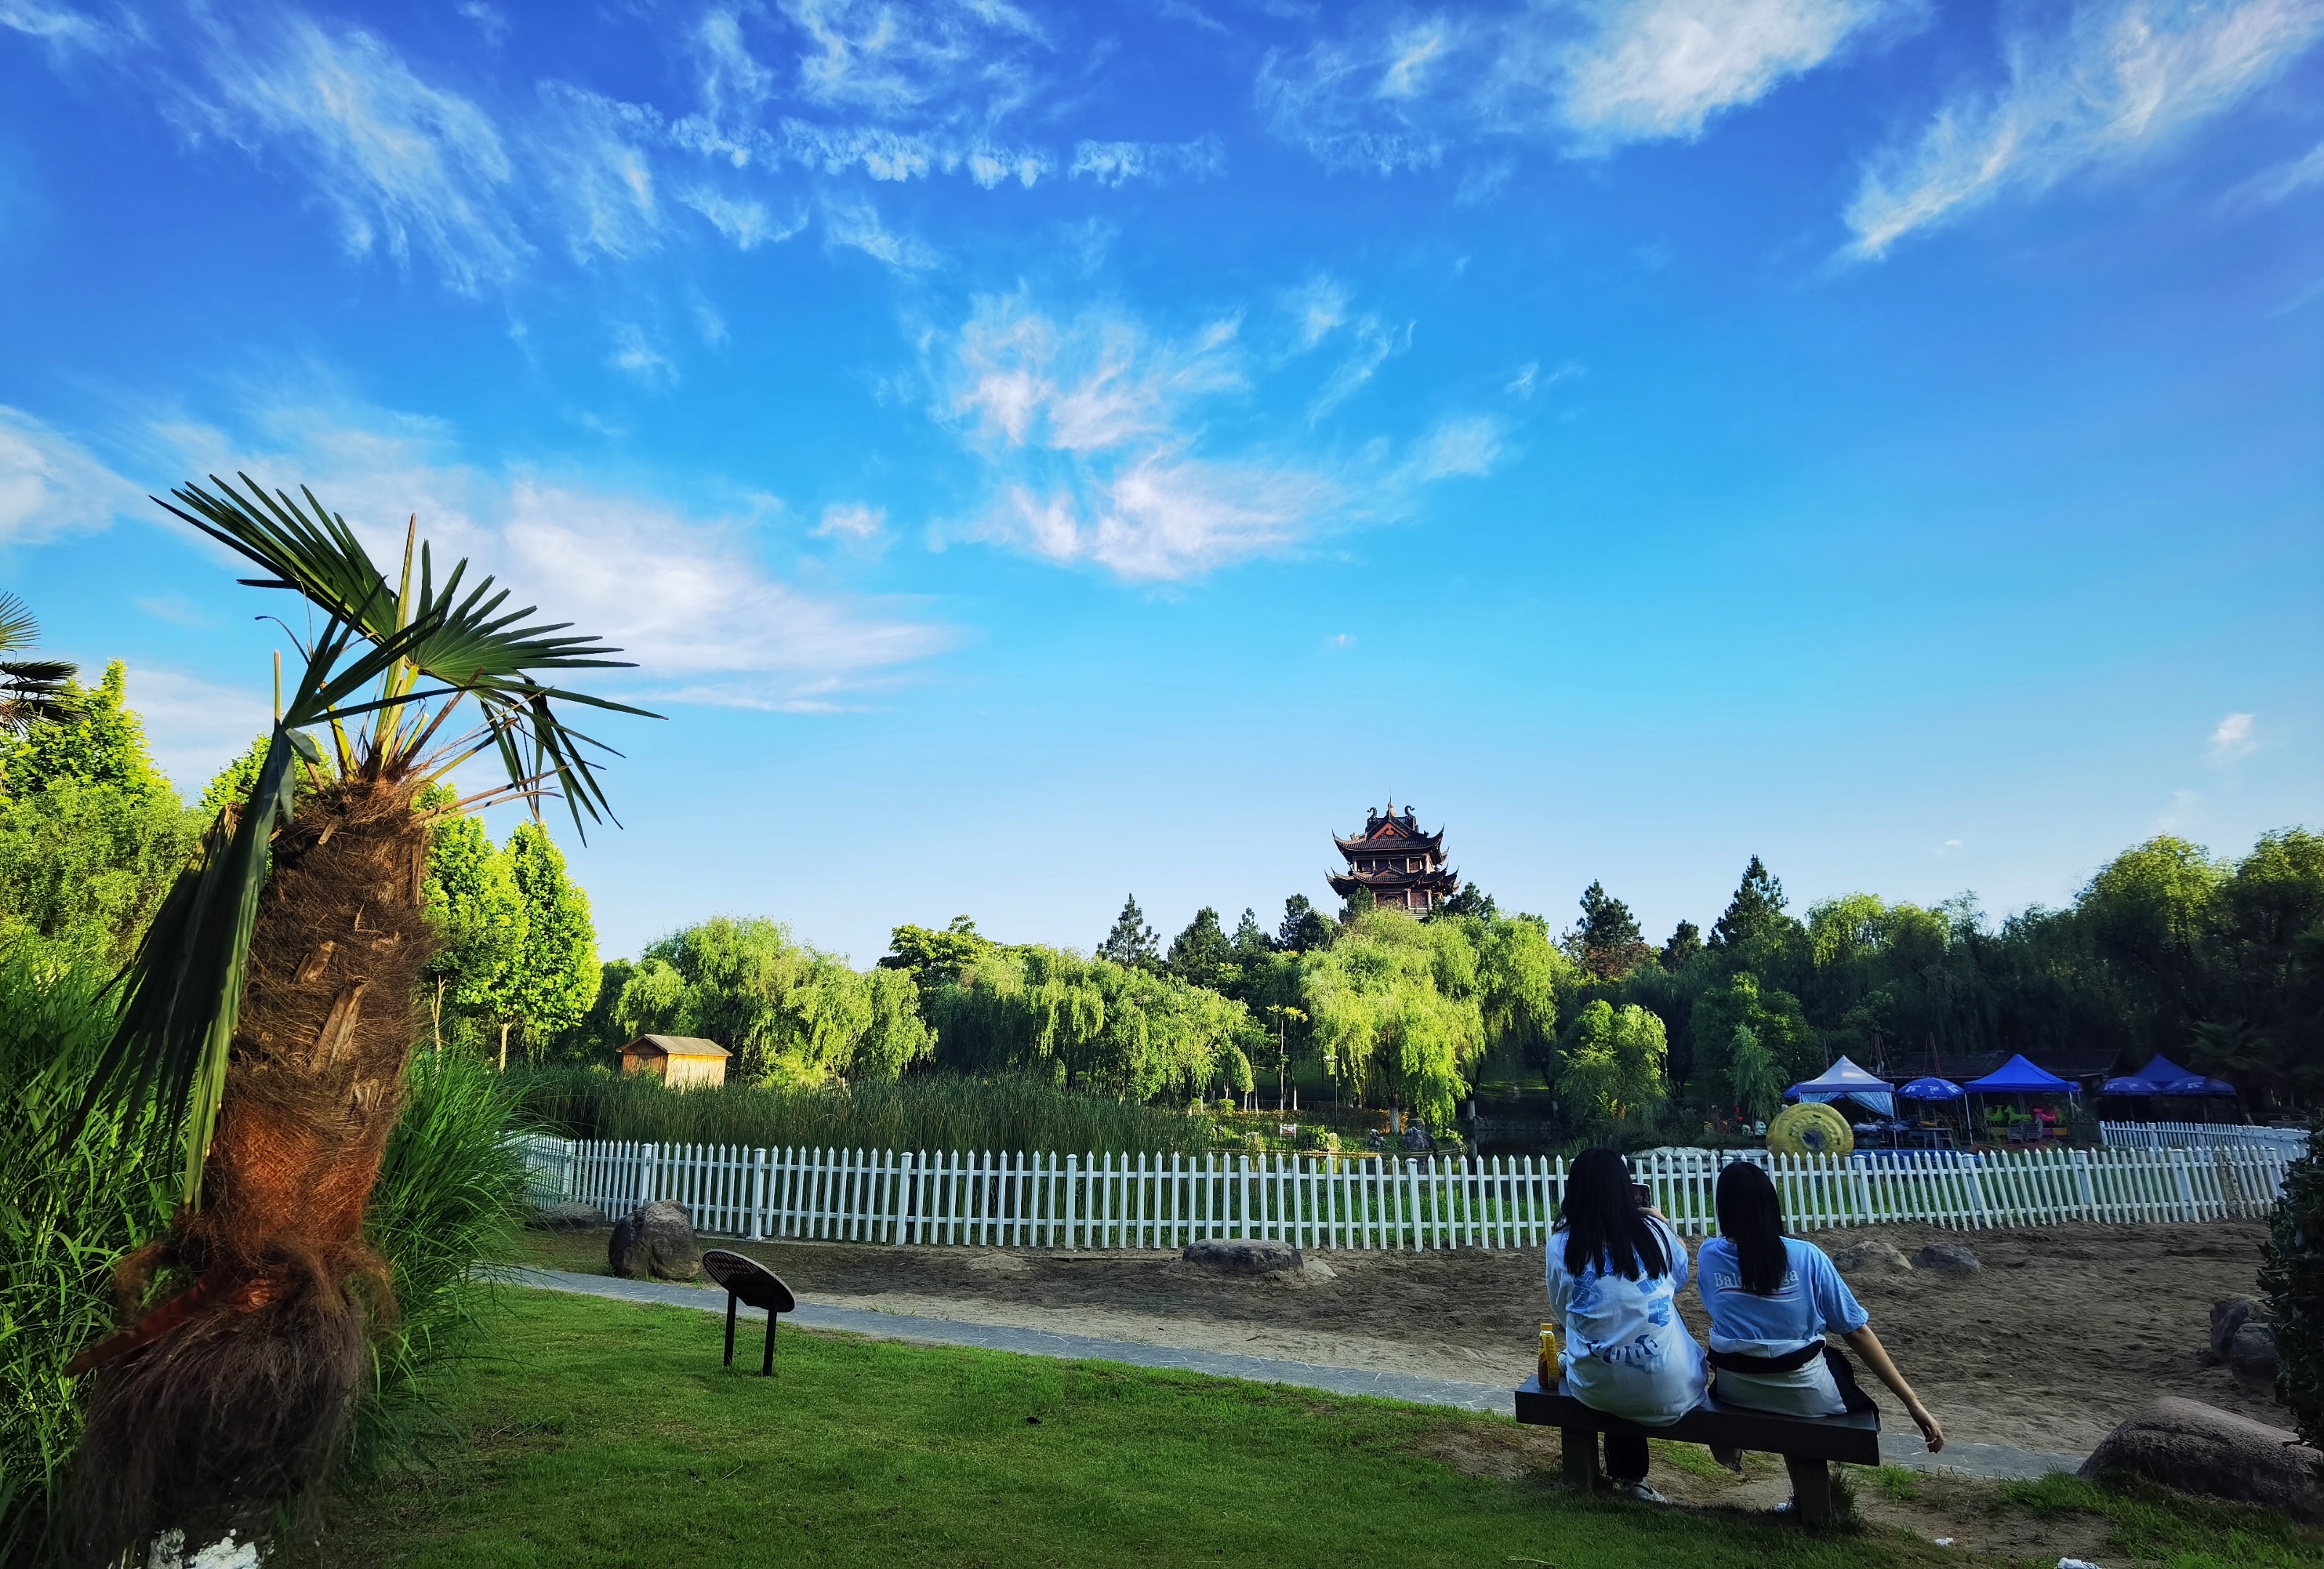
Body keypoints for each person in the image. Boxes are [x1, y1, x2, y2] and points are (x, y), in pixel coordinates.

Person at [1697, 1160, 1944, 1485]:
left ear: (1723, 1208)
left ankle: (1783, 1483)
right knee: (1828, 1368)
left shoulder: (1708, 1255)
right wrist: (1913, 1403)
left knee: (1774, 1364)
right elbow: (1855, 1331)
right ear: (1772, 1203)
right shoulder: (1807, 1256)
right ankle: (1812, 1498)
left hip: (1737, 1389)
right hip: (1805, 1393)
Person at [1543, 1148, 1708, 1503]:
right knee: (1651, 1334)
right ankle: (1636, 1478)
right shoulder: (1654, 1234)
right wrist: (1662, 1222)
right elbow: (1678, 1280)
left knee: (1608, 1356)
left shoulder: (1562, 1244)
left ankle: (1628, 1478)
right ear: (1625, 1188)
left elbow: (1563, 1311)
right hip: (1671, 1385)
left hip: (1596, 1386)